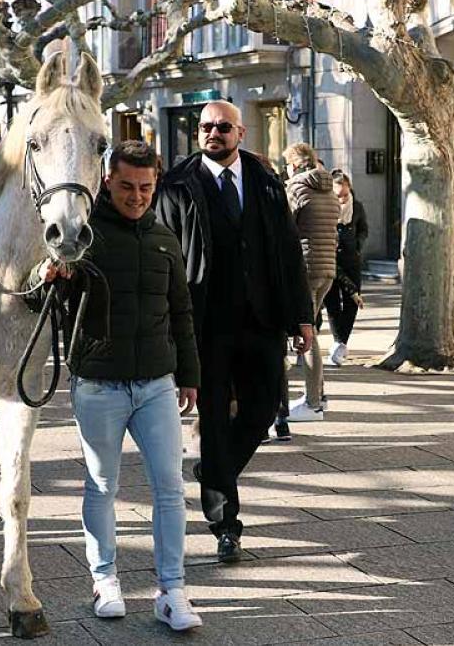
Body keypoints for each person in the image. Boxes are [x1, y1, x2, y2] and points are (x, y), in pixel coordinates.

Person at [30, 141, 202, 629]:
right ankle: (105, 579)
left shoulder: (166, 238)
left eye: (146, 187)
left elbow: (182, 311)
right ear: (107, 180)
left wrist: (189, 375)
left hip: (157, 384)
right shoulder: (83, 236)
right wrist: (49, 278)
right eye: (127, 186)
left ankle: (173, 591)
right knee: (103, 483)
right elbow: (38, 305)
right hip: (99, 384)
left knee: (170, 488)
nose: (137, 196)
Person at [155, 99, 313, 564]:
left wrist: (302, 317)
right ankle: (226, 523)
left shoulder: (266, 180)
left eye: (223, 127)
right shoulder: (178, 185)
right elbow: (168, 260)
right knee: (217, 423)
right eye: (205, 127)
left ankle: (214, 471)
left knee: (265, 409)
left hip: (262, 320)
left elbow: (287, 250)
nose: (213, 134)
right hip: (206, 325)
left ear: (241, 133)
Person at [280, 142, 340, 425]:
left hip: (305, 266)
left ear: (294, 164)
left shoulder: (297, 188)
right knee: (312, 327)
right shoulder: (328, 190)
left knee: (308, 334)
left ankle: (313, 402)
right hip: (327, 267)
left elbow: (285, 227)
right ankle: (318, 397)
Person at [324, 170, 368, 367]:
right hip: (330, 258)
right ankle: (338, 343)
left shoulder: (357, 206)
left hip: (351, 259)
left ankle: (340, 343)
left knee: (352, 302)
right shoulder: (325, 208)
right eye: (338, 195)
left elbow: (363, 229)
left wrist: (358, 245)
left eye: (344, 194)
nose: (342, 199)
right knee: (332, 302)